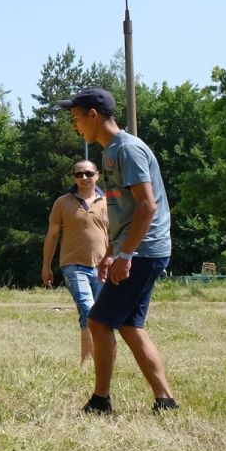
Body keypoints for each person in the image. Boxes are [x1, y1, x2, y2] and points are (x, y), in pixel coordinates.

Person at [54, 87, 179, 414]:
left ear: (93, 116)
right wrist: (111, 250)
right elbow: (120, 210)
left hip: (145, 249)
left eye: (77, 119)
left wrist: (126, 255)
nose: (75, 126)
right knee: (128, 326)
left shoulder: (128, 150)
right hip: (135, 249)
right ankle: (165, 400)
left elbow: (147, 207)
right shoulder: (110, 153)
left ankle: (100, 401)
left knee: (98, 321)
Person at [42, 160, 109, 362]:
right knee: (88, 309)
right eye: (79, 174)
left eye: (88, 173)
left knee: (98, 316)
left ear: (97, 175)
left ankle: (95, 361)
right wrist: (46, 266)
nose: (84, 178)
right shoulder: (62, 203)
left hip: (102, 266)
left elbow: (118, 235)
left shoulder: (109, 201)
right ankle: (89, 363)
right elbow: (52, 236)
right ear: (73, 177)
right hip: (73, 265)